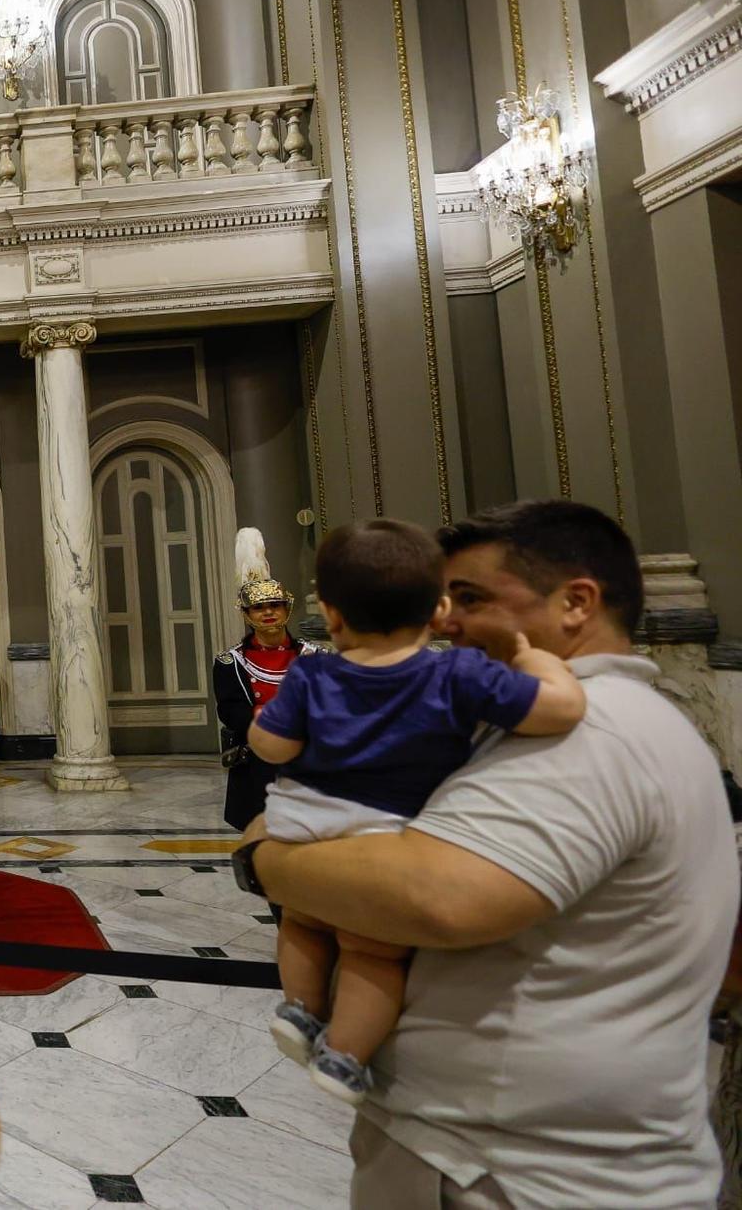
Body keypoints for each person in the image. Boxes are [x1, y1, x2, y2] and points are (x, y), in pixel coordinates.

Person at [231, 500, 740, 1208]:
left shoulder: (595, 731)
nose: (445, 620)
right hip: (491, 1154)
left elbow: (433, 898)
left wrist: (263, 854)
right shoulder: (526, 713)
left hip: (522, 1174)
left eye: (469, 598)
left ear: (576, 602)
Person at [244, 519, 586, 1104]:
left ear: (330, 615)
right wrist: (534, 659)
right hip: (384, 830)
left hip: (302, 823)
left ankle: (299, 1010)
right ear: (439, 610)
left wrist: (271, 731)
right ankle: (345, 1055)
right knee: (373, 951)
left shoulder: (312, 673)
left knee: (303, 918)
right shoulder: (458, 674)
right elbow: (562, 709)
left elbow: (271, 747)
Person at [214, 527, 324, 831]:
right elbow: (231, 711)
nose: (268, 613)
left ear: (287, 608)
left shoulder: (314, 655)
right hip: (256, 763)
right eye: (259, 608)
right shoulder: (230, 662)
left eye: (275, 605)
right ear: (247, 614)